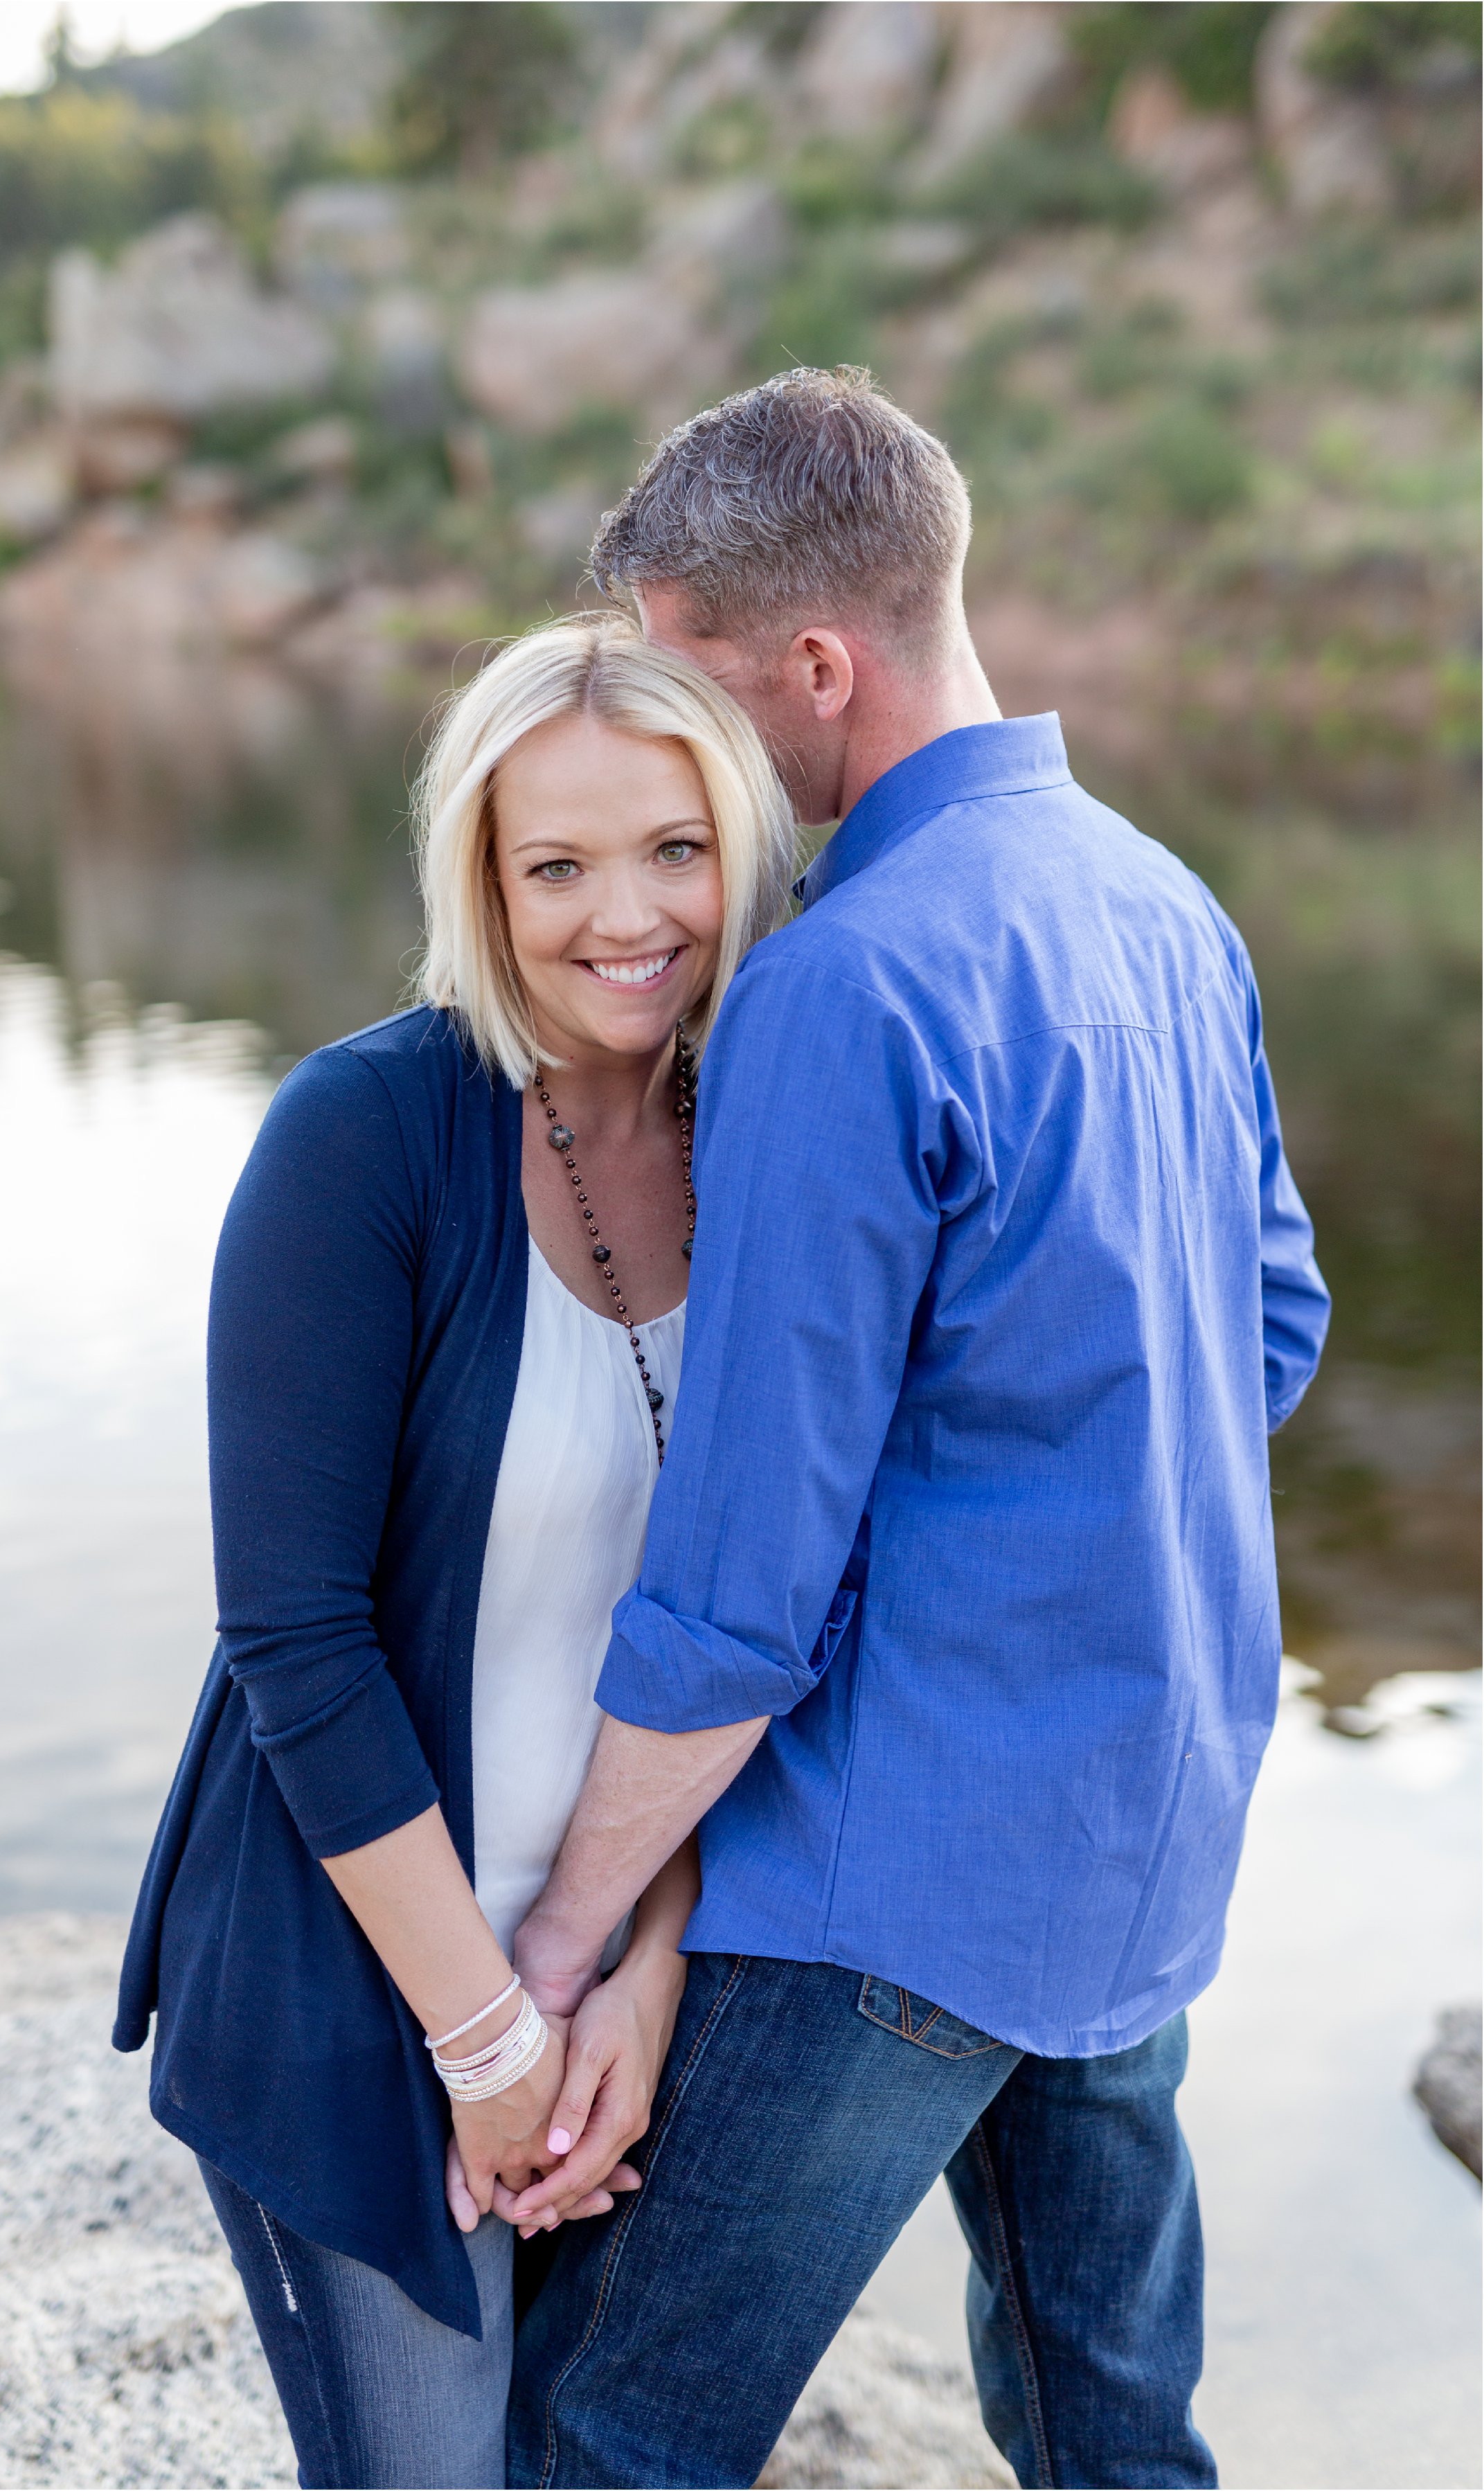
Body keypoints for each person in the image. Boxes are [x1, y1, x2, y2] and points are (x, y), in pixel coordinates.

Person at [501, 368, 1332, 2491]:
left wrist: (562, 1942)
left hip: (892, 1889)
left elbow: (740, 1587)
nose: (686, 755)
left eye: (692, 693)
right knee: (1110, 2430)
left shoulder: (842, 981)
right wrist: (1060, 1510)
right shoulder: (1164, 902)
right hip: (1139, 1828)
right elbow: (1275, 1320)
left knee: (603, 2429)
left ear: (814, 664)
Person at [111, 613, 795, 2490]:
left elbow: (741, 1619)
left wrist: (642, 1970)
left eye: (673, 848)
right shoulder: (366, 1136)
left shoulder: (765, 1133)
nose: (623, 916)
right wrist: (489, 2044)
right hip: (362, 1975)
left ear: (742, 841)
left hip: (615, 1948)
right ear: (481, 886)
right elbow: (295, 1642)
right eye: (554, 865)